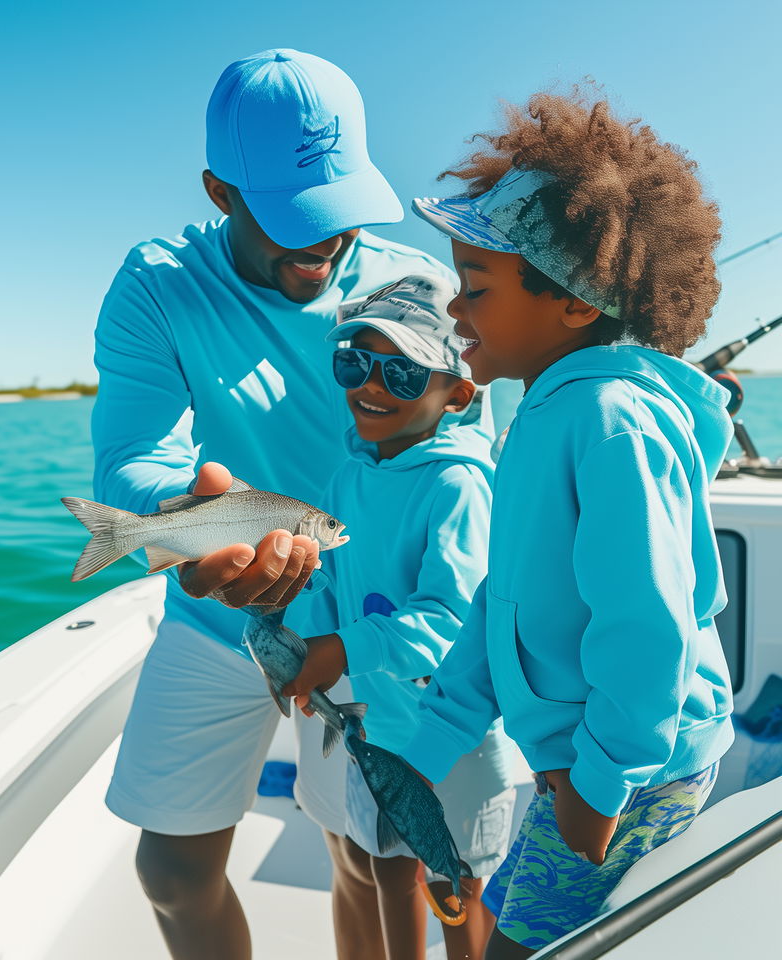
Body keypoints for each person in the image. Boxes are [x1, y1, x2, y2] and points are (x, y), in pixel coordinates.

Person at [92, 48, 455, 960]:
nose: (325, 241)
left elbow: (459, 451)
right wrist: (187, 523)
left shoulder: (410, 281)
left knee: (361, 856)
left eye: (339, 210)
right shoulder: (159, 282)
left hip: (367, 610)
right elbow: (135, 453)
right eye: (295, 217)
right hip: (218, 610)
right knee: (170, 874)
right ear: (221, 192)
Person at [384, 89, 733, 959]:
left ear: (575, 304)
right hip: (589, 754)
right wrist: (434, 737)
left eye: (473, 288)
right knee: (504, 920)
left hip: (631, 767)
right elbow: (509, 597)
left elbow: (646, 622)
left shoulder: (609, 420)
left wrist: (601, 781)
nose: (454, 312)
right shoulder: (544, 411)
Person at [284, 273, 516, 960]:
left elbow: (449, 623)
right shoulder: (348, 474)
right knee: (386, 871)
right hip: (374, 728)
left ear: (459, 395)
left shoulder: (459, 483)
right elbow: (332, 582)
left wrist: (342, 650)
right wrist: (305, 645)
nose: (372, 387)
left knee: (454, 889)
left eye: (404, 374)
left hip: (457, 739)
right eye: (353, 362)